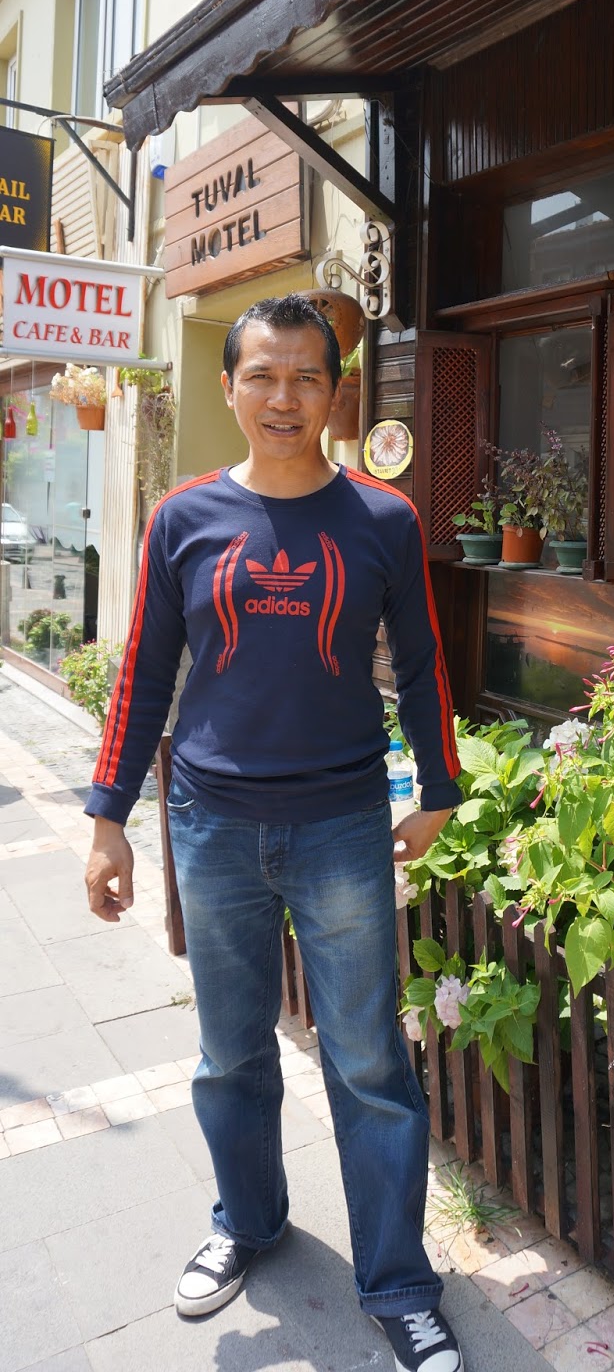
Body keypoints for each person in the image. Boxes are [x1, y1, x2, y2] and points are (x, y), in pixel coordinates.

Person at [83, 294, 463, 1372]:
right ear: (230, 386)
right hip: (211, 826)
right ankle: (246, 1223)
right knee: (231, 1054)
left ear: (335, 393)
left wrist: (440, 788)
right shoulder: (183, 518)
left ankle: (396, 1282)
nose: (283, 396)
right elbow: (145, 672)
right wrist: (107, 817)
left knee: (369, 1062)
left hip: (342, 825)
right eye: (262, 374)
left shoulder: (383, 519)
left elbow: (422, 661)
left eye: (306, 377)